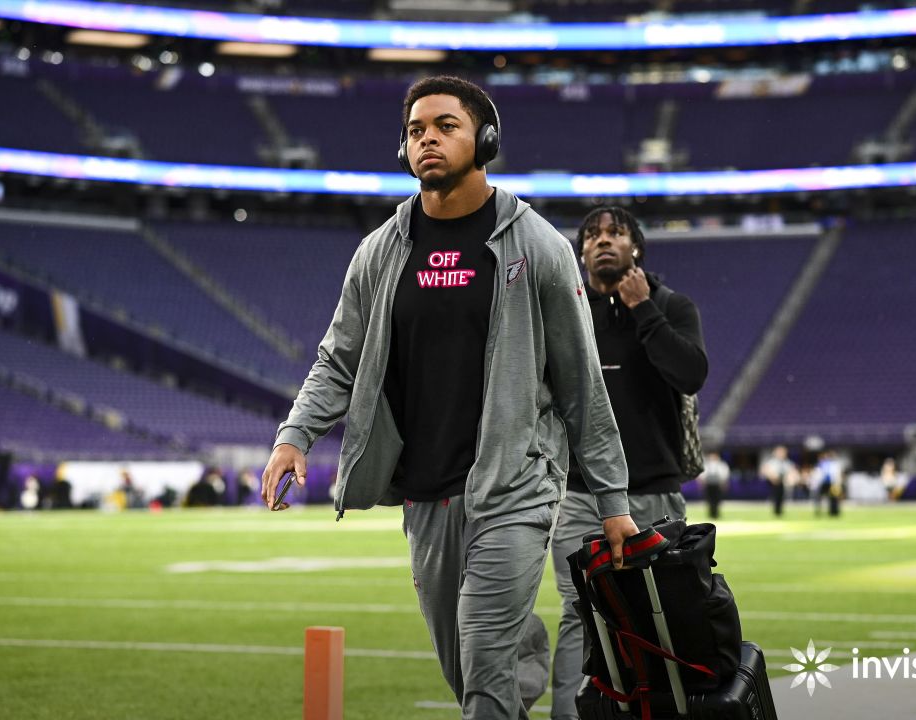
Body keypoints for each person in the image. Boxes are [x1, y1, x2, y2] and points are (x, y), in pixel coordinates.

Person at [260, 76, 638, 720]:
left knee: (485, 659)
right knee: (466, 667)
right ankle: (518, 661)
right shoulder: (379, 252)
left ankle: (508, 659)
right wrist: (295, 435)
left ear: (485, 138)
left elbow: (581, 383)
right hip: (427, 493)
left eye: (445, 126)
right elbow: (338, 357)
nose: (427, 139)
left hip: (516, 486)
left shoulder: (539, 246)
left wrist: (612, 502)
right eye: (414, 131)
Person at [548, 206, 708, 720]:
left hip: (654, 493)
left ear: (636, 247)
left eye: (616, 233)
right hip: (579, 494)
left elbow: (690, 374)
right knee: (580, 615)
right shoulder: (565, 311)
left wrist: (643, 310)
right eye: (592, 234)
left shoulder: (670, 305)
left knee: (667, 617)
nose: (603, 241)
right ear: (580, 252)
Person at [761, 445, 795, 517]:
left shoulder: (786, 462)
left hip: (782, 482)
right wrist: (772, 477)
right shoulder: (772, 462)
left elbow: (791, 471)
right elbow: (765, 470)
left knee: (781, 496)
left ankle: (779, 511)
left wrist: (790, 478)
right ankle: (775, 511)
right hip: (773, 482)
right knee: (775, 496)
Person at [700, 451, 731, 520]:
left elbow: (725, 474)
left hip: (717, 484)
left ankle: (716, 514)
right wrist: (702, 483)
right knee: (709, 500)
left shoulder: (722, 464)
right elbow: (702, 475)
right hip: (709, 484)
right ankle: (711, 514)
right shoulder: (707, 465)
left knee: (717, 500)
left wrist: (724, 483)